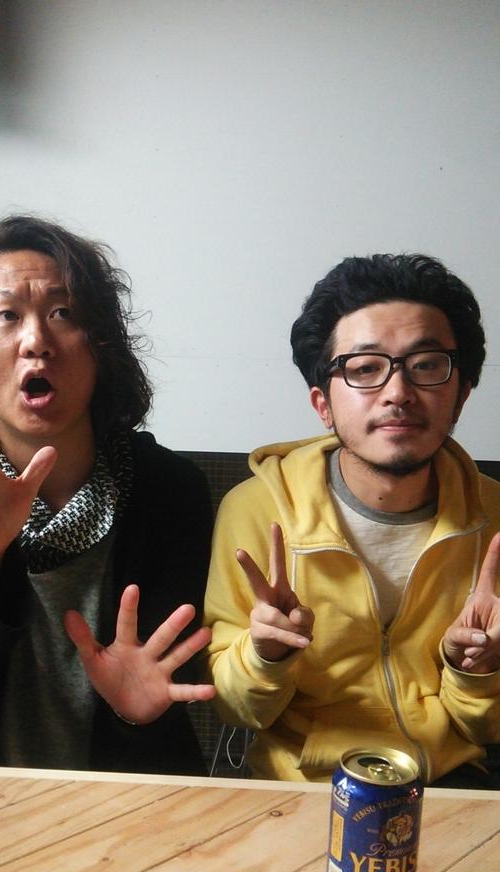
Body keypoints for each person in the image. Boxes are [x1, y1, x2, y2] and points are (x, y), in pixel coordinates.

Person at [0, 214, 215, 774]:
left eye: (64, 313)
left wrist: (135, 715)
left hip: (131, 805)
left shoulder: (170, 491)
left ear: (100, 344)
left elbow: (168, 692)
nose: (37, 341)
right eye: (6, 315)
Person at [205, 253, 500, 785]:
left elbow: (486, 728)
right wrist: (265, 655)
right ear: (322, 403)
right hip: (301, 787)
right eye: (365, 368)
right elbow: (236, 709)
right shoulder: (256, 510)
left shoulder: (493, 519)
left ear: (461, 395)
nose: (398, 392)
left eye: (426, 365)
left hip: (449, 784)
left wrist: (474, 670)